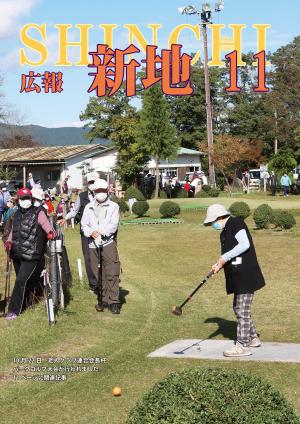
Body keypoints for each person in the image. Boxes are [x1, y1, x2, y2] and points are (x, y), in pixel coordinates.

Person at [204, 204, 265, 357]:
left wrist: (224, 258)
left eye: (212, 222)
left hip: (246, 274)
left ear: (220, 217)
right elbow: (229, 255)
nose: (213, 225)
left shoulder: (236, 223)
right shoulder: (224, 232)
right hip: (238, 275)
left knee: (242, 309)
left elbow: (244, 244)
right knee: (238, 307)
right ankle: (252, 338)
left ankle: (242, 345)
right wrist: (219, 264)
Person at [5, 188, 56, 320]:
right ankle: (27, 304)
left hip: (31, 254)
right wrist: (9, 241)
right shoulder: (15, 214)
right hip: (17, 253)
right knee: (23, 282)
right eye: (23, 198)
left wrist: (51, 232)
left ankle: (13, 310)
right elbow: (13, 231)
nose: (25, 201)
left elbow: (46, 225)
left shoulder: (38, 212)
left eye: (27, 198)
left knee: (20, 280)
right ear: (18, 200)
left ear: (31, 198)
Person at [81, 178, 121, 314]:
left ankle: (114, 300)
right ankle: (103, 298)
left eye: (103, 191)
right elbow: (84, 225)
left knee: (112, 271)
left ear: (107, 192)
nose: (101, 193)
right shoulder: (88, 207)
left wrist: (100, 233)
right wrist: (91, 233)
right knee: (98, 273)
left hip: (107, 242)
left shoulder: (114, 206)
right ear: (94, 192)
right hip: (92, 244)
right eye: (98, 191)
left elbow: (113, 225)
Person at [59, 172, 98, 291]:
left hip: (99, 231)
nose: (92, 184)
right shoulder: (82, 196)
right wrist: (65, 218)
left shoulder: (103, 195)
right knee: (88, 258)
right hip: (85, 232)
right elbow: (75, 211)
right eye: (90, 182)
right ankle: (93, 285)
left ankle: (102, 281)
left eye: (94, 182)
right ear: (87, 183)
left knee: (101, 257)